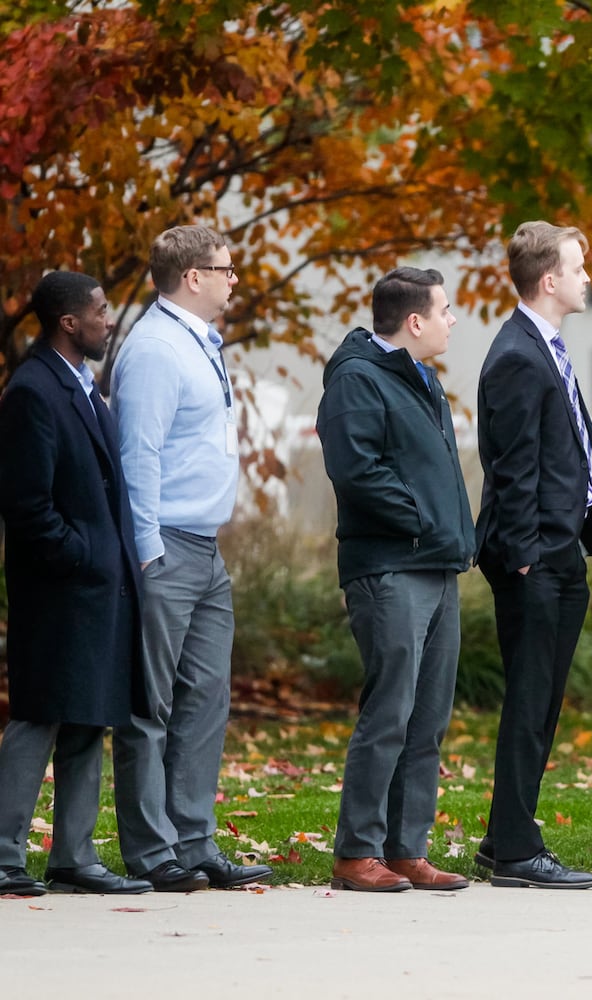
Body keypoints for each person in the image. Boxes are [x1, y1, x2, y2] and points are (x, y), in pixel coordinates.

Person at [111, 225, 271, 892]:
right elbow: (136, 458)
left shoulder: (198, 342)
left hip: (205, 549)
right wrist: (146, 553)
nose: (234, 280)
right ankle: (152, 852)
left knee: (207, 700)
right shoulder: (152, 350)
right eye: (225, 270)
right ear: (191, 277)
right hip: (166, 548)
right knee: (150, 707)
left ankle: (195, 841)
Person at [317, 268, 475, 892]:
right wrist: (425, 520)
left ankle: (406, 849)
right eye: (444, 310)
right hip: (390, 568)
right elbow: (356, 472)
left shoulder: (423, 380)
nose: (452, 320)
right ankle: (357, 852)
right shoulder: (358, 380)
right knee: (390, 712)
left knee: (428, 717)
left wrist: (447, 532)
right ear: (414, 321)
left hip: (434, 564)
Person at [0, 272, 152, 896]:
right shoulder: (33, 391)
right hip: (60, 590)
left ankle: (73, 858)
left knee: (89, 718)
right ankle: (5, 856)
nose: (109, 318)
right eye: (99, 310)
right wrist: (86, 556)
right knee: (39, 718)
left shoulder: (84, 387)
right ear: (68, 322)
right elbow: (28, 506)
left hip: (97, 588)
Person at [472, 222, 592, 889]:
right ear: (549, 280)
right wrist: (525, 556)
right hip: (534, 559)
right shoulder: (518, 356)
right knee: (530, 705)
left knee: (544, 704)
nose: (589, 278)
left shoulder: (544, 346)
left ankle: (503, 840)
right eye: (579, 268)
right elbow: (511, 464)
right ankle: (519, 853)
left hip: (561, 551)